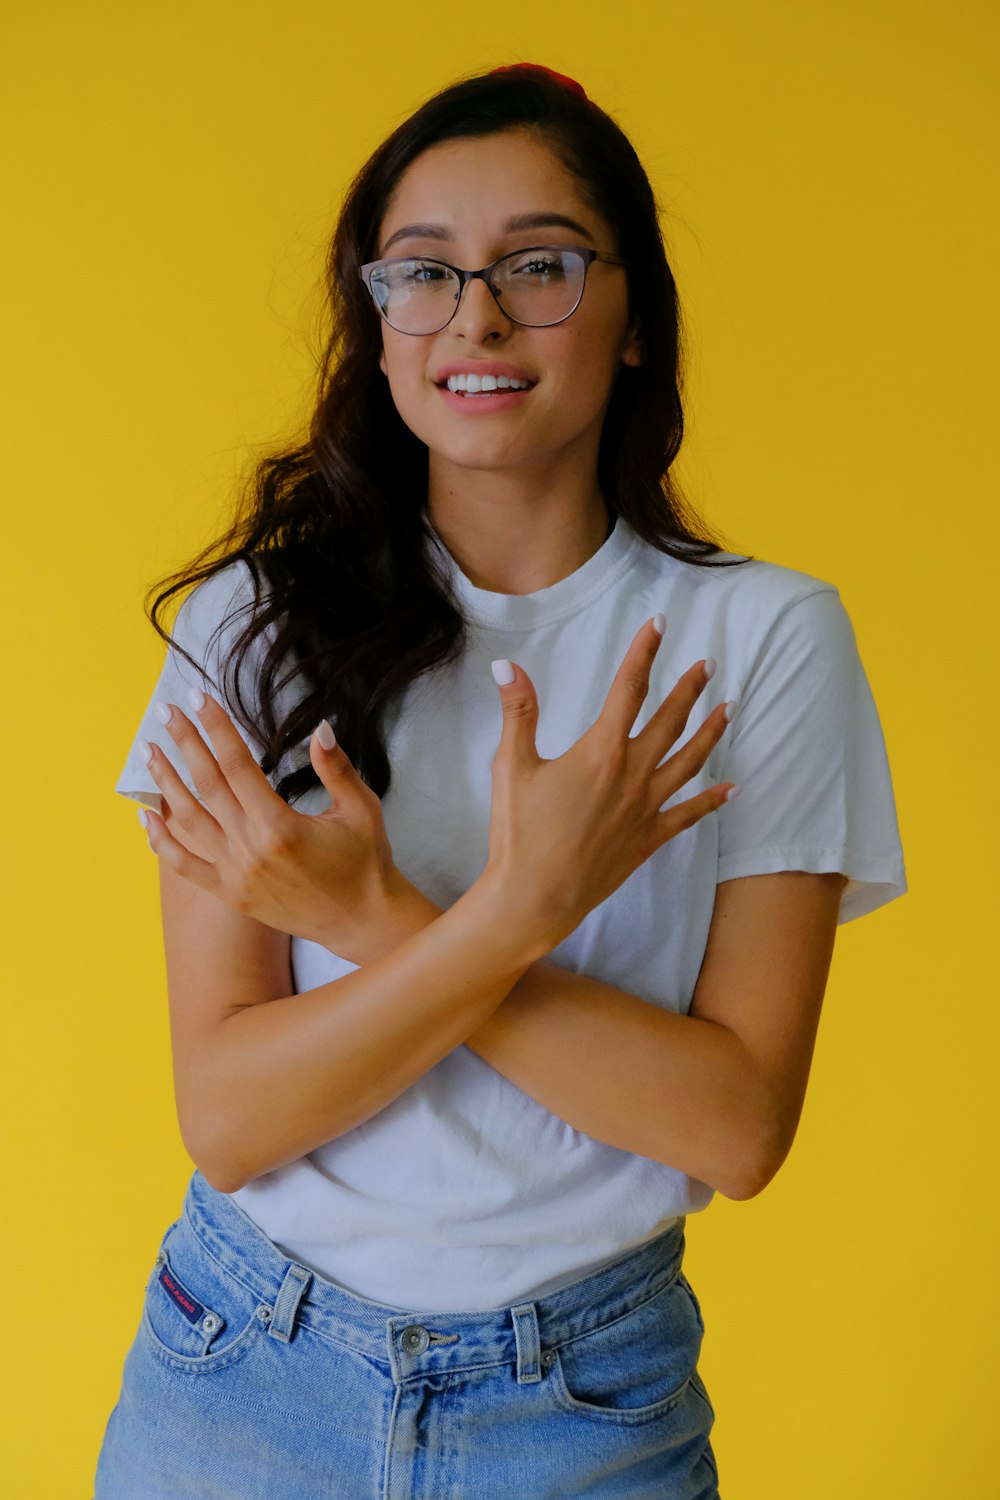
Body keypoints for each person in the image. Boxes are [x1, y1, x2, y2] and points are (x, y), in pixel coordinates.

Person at [94, 63, 906, 1499]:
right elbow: (229, 1117)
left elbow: (733, 1125)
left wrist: (390, 921)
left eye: (539, 265)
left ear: (635, 314)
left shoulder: (764, 638)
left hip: (585, 1404)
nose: (475, 317)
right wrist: (516, 910)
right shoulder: (252, 625)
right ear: (380, 324)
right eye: (423, 273)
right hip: (244, 1371)